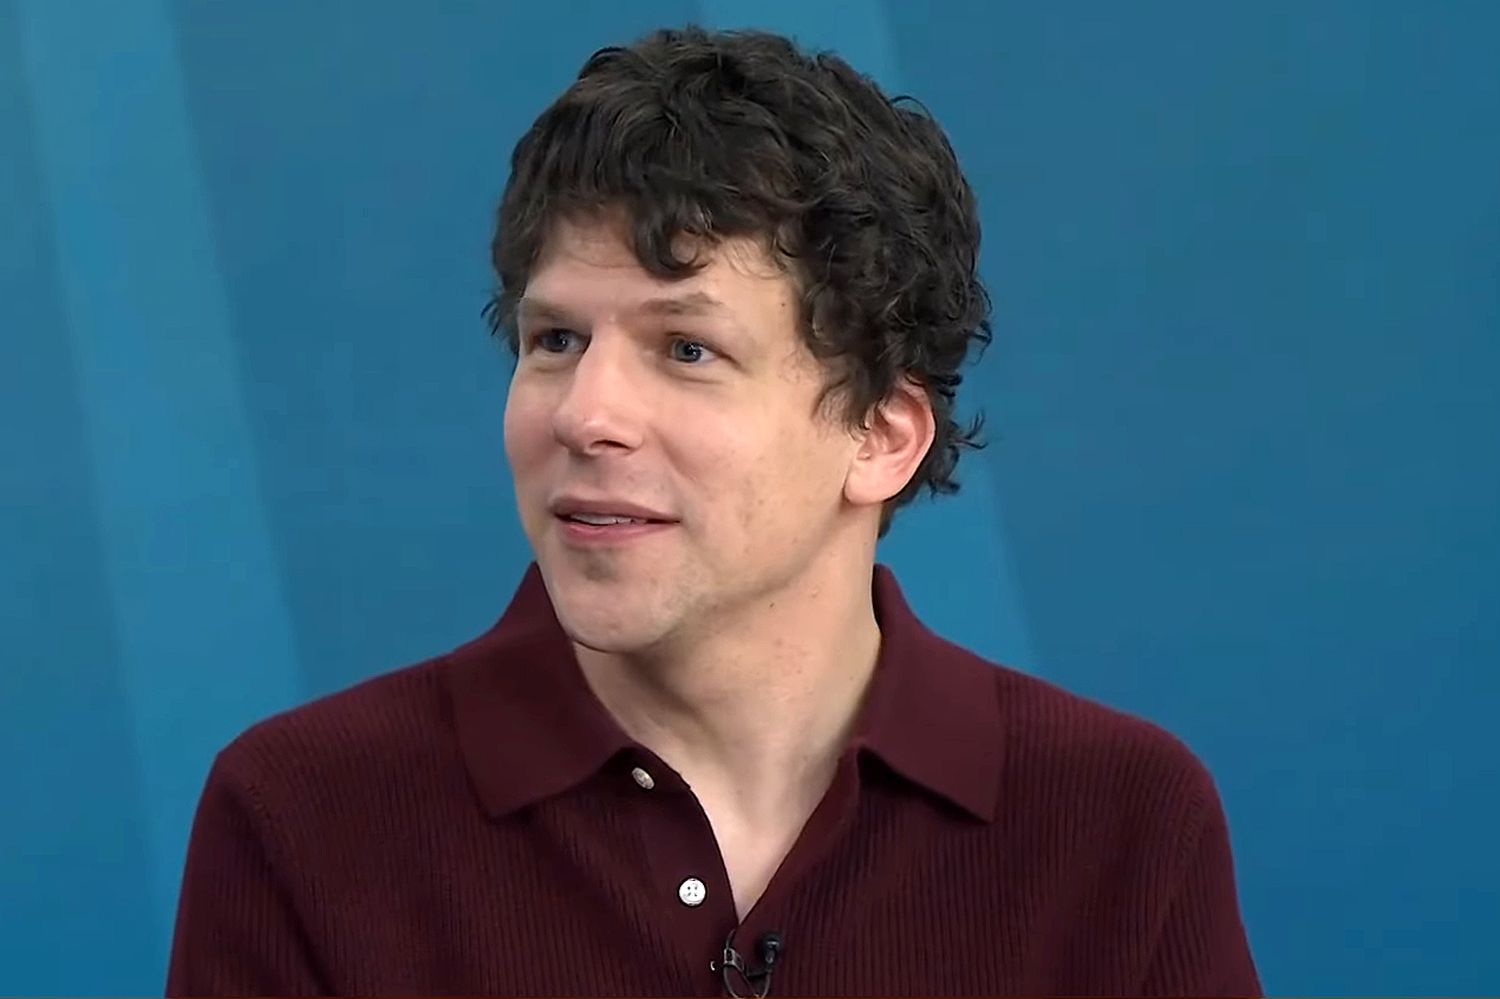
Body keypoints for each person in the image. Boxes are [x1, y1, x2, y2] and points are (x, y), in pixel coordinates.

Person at [166, 25, 1260, 997]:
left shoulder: (1118, 821)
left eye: (687, 349)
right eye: (555, 341)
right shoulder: (307, 815)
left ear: (881, 436)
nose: (585, 415)